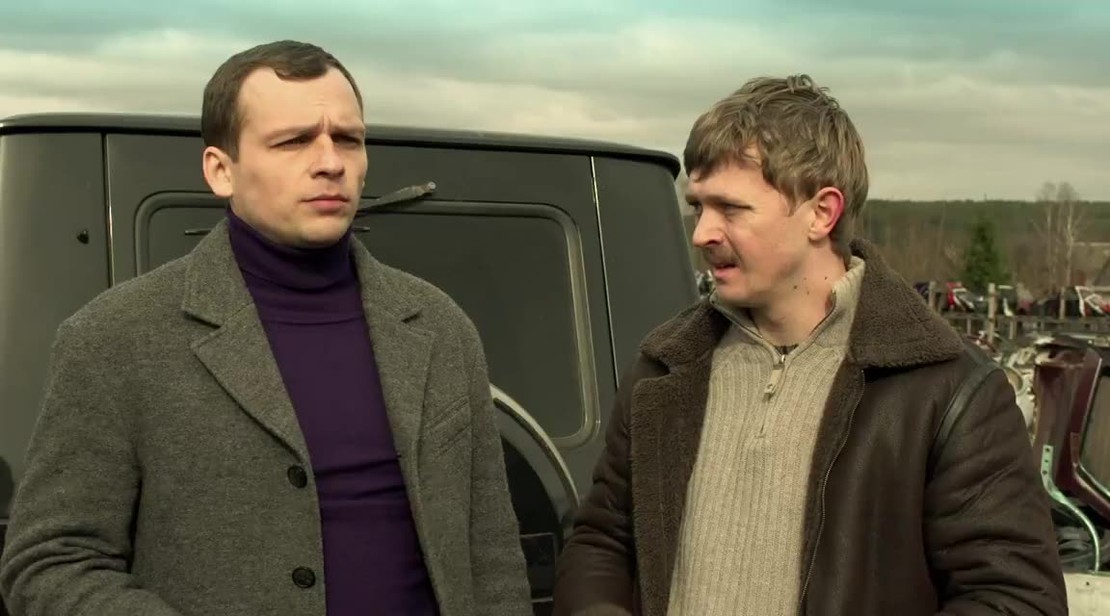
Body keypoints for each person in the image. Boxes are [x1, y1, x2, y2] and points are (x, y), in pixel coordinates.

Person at [0, 40, 531, 616]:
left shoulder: (439, 324)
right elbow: (50, 564)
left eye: (347, 139)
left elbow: (491, 555)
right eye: (294, 141)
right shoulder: (115, 338)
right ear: (220, 170)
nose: (330, 162)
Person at [552, 75, 1067, 615]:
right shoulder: (665, 368)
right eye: (698, 206)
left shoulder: (948, 391)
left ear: (822, 213)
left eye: (731, 209)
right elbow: (601, 541)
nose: (702, 233)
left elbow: (1017, 599)